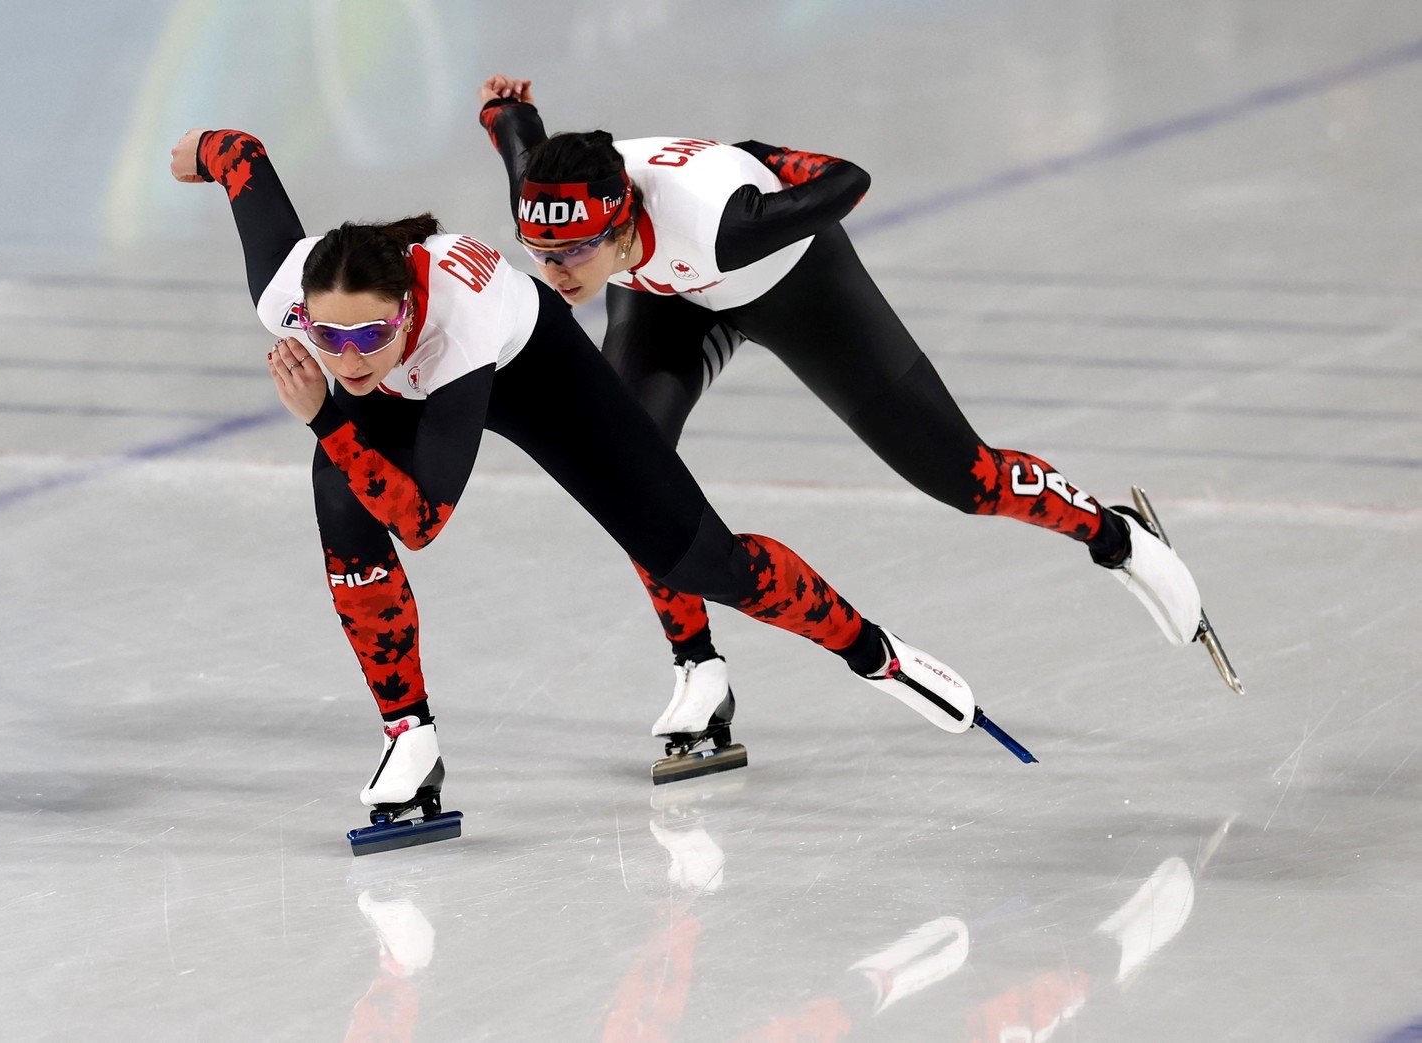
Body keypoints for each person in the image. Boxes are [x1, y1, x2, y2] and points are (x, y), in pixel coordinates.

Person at [170, 127, 1007, 848]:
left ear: (406, 312)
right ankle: (408, 735)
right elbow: (244, 158)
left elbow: (421, 519)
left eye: (369, 334)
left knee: (701, 561)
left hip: (531, 368)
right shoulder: (289, 296)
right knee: (341, 497)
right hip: (406, 385)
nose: (348, 355)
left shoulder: (456, 329)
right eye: (329, 336)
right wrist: (205, 150)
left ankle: (873, 651)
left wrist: (325, 416)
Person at [475, 74, 1216, 746]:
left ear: (621, 222)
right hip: (668, 298)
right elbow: (519, 138)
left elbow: (847, 179)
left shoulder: (727, 223)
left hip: (790, 285)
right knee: (628, 473)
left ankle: (1114, 532)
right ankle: (698, 664)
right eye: (539, 251)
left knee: (964, 478)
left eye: (572, 253)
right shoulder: (544, 197)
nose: (554, 271)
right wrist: (505, 109)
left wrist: (757, 157)